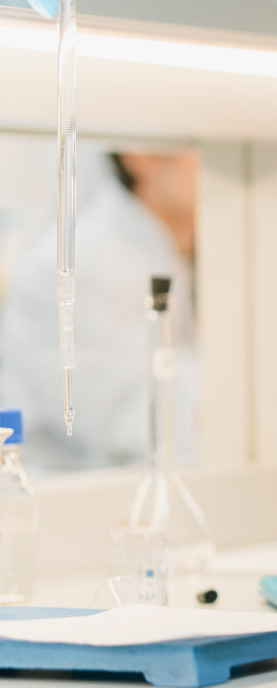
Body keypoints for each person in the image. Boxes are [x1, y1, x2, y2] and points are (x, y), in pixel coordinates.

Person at [2, 149, 199, 472]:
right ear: (140, 156)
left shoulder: (180, 251)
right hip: (72, 495)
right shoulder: (76, 269)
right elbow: (143, 425)